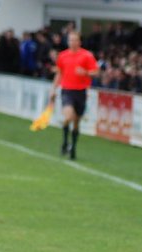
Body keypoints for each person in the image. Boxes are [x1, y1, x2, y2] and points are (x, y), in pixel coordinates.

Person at [48, 31, 98, 160]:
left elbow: (96, 72)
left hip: (81, 92)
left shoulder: (87, 55)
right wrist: (53, 89)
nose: (72, 42)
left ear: (79, 41)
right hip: (67, 90)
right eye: (70, 40)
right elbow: (59, 74)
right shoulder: (63, 56)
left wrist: (86, 72)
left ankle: (73, 147)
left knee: (76, 123)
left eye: (75, 40)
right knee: (68, 116)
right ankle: (65, 141)